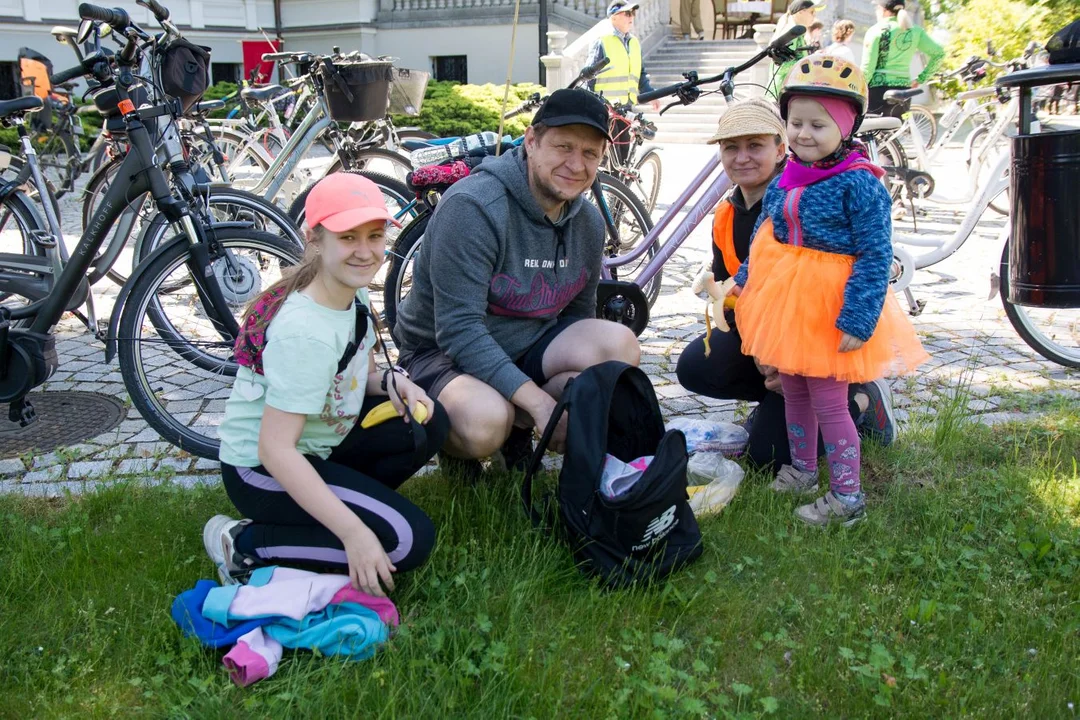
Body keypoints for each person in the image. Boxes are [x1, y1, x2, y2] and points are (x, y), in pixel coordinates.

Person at [204, 173, 451, 597]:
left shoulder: (350, 293)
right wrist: (354, 533)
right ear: (314, 239)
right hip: (262, 470)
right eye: (348, 237)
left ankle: (330, 515)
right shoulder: (305, 331)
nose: (365, 251)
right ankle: (244, 544)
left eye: (374, 236)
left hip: (317, 447)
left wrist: (392, 380)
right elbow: (275, 450)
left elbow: (353, 378)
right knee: (407, 541)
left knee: (429, 422)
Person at [391, 88, 641, 477]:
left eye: (590, 153)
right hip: (440, 352)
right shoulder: (473, 207)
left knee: (618, 345)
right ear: (531, 141)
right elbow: (458, 331)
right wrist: (541, 404)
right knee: (484, 420)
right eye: (563, 147)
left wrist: (582, 395)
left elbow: (576, 317)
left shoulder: (588, 224)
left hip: (527, 344)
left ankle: (516, 435)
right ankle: (460, 448)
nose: (576, 164)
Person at [731, 57, 928, 525]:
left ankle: (847, 496)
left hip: (830, 306)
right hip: (787, 301)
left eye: (818, 125)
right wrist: (741, 282)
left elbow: (876, 255)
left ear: (846, 125)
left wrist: (858, 318)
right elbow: (766, 231)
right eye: (795, 122)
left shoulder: (860, 184)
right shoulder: (788, 174)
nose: (803, 134)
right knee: (794, 388)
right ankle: (802, 469)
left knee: (828, 400)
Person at [676, 98, 899, 475]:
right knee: (697, 365)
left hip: (819, 331)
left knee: (768, 457)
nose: (742, 157)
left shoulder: (804, 198)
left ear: (781, 149)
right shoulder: (727, 213)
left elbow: (861, 261)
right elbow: (739, 288)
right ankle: (775, 404)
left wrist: (786, 349)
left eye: (755, 146)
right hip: (769, 331)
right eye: (731, 147)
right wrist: (764, 348)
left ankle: (861, 400)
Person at [862, 0, 944, 117]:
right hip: (904, 90)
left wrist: (858, 88)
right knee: (895, 129)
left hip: (878, 90)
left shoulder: (875, 31)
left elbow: (867, 68)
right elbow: (939, 54)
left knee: (872, 132)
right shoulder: (915, 31)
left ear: (883, 10)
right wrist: (921, 79)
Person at [586, 0, 662, 110]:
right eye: (627, 14)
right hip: (605, 110)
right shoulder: (602, 41)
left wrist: (651, 95)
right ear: (614, 17)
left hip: (628, 108)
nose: (631, 17)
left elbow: (640, 74)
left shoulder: (634, 43)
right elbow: (588, 76)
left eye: (633, 13)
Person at [767, 0, 825, 97]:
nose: (815, 15)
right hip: (783, 92)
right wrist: (812, 61)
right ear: (801, 12)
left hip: (787, 91)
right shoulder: (791, 34)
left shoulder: (797, 33)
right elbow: (782, 66)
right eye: (812, 12)